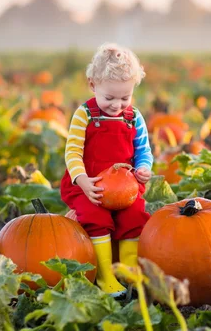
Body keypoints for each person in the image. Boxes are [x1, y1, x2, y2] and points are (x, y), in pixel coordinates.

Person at [60, 43, 152, 297]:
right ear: (93, 85)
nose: (117, 105)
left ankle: (128, 270)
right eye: (109, 98)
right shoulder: (85, 115)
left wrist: (144, 168)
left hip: (125, 187)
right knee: (96, 218)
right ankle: (105, 276)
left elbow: (143, 150)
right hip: (90, 184)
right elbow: (73, 152)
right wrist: (82, 181)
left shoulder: (133, 117)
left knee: (134, 217)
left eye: (125, 98)